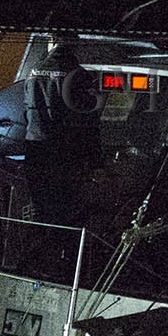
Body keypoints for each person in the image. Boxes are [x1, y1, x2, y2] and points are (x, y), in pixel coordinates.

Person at [22, 32, 101, 229]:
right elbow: (88, 119)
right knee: (66, 214)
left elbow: (27, 110)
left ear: (53, 41)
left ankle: (41, 242)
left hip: (35, 151)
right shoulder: (78, 75)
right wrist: (95, 161)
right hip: (64, 154)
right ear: (74, 45)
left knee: (41, 210)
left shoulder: (33, 71)